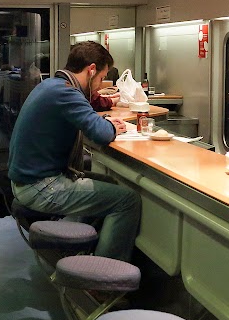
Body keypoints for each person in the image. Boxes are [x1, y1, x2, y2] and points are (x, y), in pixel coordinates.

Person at [8, 41, 138, 261]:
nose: (99, 85)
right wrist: (111, 126)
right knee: (127, 200)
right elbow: (101, 133)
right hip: (40, 187)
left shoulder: (52, 85)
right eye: (101, 78)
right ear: (91, 70)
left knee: (111, 185)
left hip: (26, 181)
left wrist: (105, 123)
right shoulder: (67, 93)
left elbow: (90, 120)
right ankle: (102, 272)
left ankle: (82, 250)